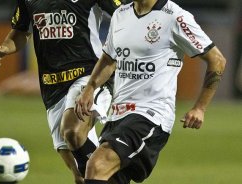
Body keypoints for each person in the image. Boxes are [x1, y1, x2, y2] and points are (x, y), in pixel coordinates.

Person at [75, 0, 227, 183]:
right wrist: (90, 88)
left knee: (97, 165)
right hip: (117, 116)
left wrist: (200, 108)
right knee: (102, 177)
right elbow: (109, 59)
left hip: (151, 116)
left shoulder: (176, 17)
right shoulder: (120, 14)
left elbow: (217, 60)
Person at [0, 0, 131, 183]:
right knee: (81, 176)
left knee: (72, 131)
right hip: (52, 87)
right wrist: (4, 48)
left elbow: (127, 14)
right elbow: (21, 32)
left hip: (89, 77)